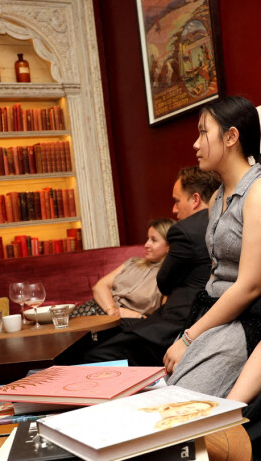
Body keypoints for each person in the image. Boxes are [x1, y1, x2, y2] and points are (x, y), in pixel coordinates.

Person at [164, 95, 261, 398]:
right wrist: (190, 333)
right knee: (168, 391)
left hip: (244, 319)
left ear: (231, 137)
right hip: (212, 312)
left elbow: (249, 286)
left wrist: (189, 338)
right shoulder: (217, 196)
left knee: (183, 403)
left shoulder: (256, 193)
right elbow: (215, 273)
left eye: (203, 132)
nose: (195, 143)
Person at [77, 166, 220, 366]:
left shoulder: (185, 230)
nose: (174, 209)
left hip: (175, 327)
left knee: (93, 356)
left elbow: (164, 282)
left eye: (177, 201)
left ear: (195, 200)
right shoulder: (223, 222)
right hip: (201, 323)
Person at [71, 217, 175, 319]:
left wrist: (138, 316)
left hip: (126, 324)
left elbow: (163, 320)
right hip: (97, 309)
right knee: (60, 323)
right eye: (147, 238)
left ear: (169, 246)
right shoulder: (133, 262)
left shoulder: (169, 277)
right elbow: (99, 286)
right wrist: (111, 311)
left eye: (154, 240)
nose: (146, 244)